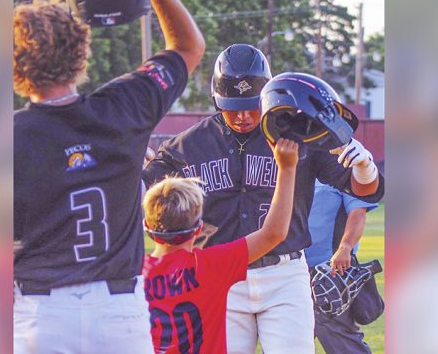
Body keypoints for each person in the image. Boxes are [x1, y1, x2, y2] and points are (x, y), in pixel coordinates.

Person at [142, 44, 383, 353]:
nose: (242, 115)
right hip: (220, 277)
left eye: (251, 105)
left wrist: (365, 167)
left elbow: (363, 189)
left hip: (285, 274)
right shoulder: (188, 145)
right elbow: (141, 190)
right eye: (232, 106)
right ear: (216, 100)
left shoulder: (297, 133)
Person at [13, 0, 205, 352]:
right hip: (119, 312)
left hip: (41, 314)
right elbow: (187, 46)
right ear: (80, 51)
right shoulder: (123, 106)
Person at [143, 139, 299, 353]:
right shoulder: (211, 266)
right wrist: (287, 168)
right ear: (198, 228)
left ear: (147, 227)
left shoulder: (133, 274)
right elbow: (274, 233)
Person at [306, 179, 379, 354]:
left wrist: (345, 247)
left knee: (342, 342)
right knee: (285, 342)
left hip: (330, 273)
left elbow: (358, 213)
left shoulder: (343, 168)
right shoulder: (295, 164)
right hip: (291, 270)